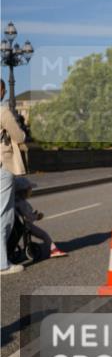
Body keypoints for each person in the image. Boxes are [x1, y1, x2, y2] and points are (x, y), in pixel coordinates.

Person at [1, 80, 26, 275]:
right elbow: (18, 137)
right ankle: (2, 263)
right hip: (3, 166)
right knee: (4, 215)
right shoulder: (3, 112)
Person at [14, 177, 68, 258]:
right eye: (29, 189)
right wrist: (37, 216)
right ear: (23, 191)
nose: (31, 191)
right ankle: (54, 250)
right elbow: (28, 216)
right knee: (44, 235)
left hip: (18, 225)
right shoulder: (22, 203)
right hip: (26, 225)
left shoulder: (14, 201)